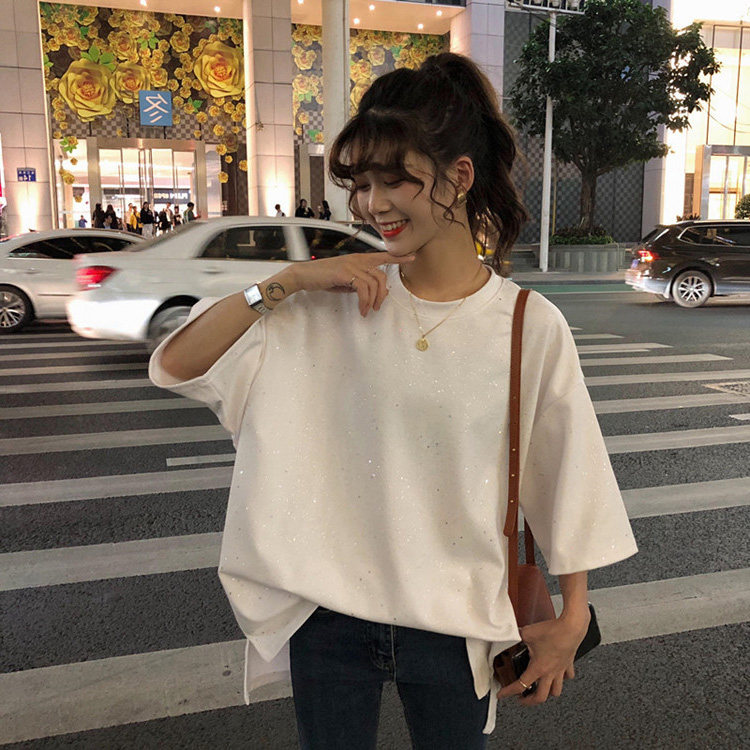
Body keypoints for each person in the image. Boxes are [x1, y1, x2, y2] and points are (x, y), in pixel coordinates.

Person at [149, 53, 637, 749]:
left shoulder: (526, 323)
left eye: (394, 180)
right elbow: (176, 364)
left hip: (454, 622)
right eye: (360, 184)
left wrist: (574, 614)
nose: (373, 204)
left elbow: (564, 472)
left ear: (459, 176)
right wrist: (288, 281)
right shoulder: (328, 302)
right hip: (328, 617)